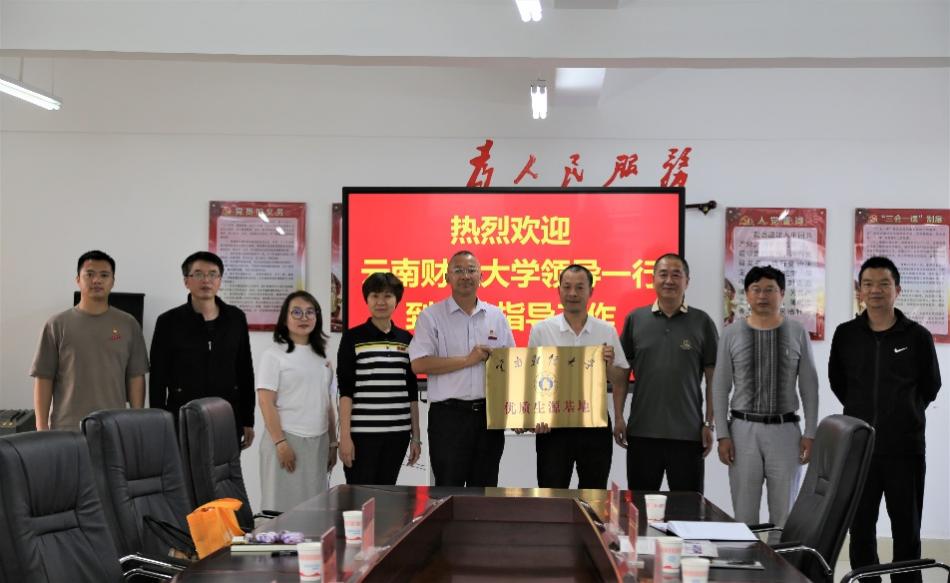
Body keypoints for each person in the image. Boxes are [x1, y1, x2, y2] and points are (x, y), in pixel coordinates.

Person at [830, 257, 941, 583]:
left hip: (904, 450)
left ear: (897, 289)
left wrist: (903, 413)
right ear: (860, 290)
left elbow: (931, 386)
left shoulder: (917, 336)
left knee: (906, 529)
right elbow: (839, 383)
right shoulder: (846, 334)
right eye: (868, 284)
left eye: (883, 284)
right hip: (859, 449)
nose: (875, 290)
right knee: (861, 528)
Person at [712, 265, 818, 526]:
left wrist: (810, 433)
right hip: (742, 431)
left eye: (770, 289)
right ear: (746, 294)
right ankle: (748, 554)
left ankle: (780, 555)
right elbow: (720, 386)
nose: (762, 295)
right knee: (744, 514)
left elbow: (809, 386)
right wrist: (723, 434)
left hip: (786, 432)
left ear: (782, 293)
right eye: (756, 289)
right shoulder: (731, 333)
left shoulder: (797, 332)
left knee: (784, 515)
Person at [408, 250, 515, 487]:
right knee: (448, 489)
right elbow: (419, 364)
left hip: (488, 418)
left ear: (481, 276)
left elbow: (511, 366)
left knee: (485, 489)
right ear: (447, 277)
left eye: (471, 270)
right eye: (458, 271)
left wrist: (517, 411)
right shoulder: (431, 316)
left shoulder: (496, 316)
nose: (465, 276)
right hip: (448, 418)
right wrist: (468, 360)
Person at [617, 253, 718, 492]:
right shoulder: (635, 319)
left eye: (676, 275)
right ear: (653, 279)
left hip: (688, 434)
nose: (669, 281)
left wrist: (709, 423)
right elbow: (621, 375)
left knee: (688, 508)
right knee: (640, 507)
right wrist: (619, 417)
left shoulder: (702, 322)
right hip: (642, 432)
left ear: (687, 281)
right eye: (663, 274)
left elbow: (714, 379)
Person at [527, 264, 629, 489]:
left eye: (580, 287)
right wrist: (533, 416)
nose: (572, 293)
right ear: (559, 291)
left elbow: (620, 379)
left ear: (591, 291)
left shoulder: (606, 330)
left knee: (593, 494)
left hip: (594, 425)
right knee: (551, 493)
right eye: (567, 287)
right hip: (553, 426)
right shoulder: (542, 330)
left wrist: (608, 364)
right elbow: (530, 380)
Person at [31, 250, 148, 430]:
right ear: (78, 279)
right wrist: (41, 427)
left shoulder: (128, 324)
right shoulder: (56, 324)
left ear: (113, 281)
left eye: (104, 275)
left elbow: (136, 377)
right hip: (66, 428)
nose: (97, 280)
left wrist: (136, 422)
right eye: (90, 274)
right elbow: (44, 378)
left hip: (115, 426)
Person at [149, 251, 255, 448]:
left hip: (227, 415)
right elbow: (158, 377)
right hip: (182, 416)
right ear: (186, 281)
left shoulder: (235, 318)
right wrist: (159, 421)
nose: (206, 280)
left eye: (213, 274)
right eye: (198, 274)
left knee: (225, 467)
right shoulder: (168, 322)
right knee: (184, 467)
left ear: (220, 280)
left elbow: (245, 371)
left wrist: (248, 419)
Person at [337, 272, 421, 485]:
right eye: (375, 296)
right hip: (362, 435)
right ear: (367, 299)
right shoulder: (352, 338)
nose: (381, 302)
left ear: (396, 300)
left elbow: (412, 392)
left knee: (387, 494)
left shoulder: (406, 339)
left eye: (387, 296)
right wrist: (344, 436)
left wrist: (416, 437)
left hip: (398, 435)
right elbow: (345, 391)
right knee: (359, 495)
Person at [257, 291, 338, 511]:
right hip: (286, 440)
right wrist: (280, 443)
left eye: (310, 312)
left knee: (314, 513)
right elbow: (265, 402)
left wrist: (332, 443)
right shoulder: (274, 354)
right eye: (297, 312)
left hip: (318, 442)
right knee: (279, 513)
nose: (304, 317)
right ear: (285, 318)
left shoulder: (322, 356)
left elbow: (327, 403)